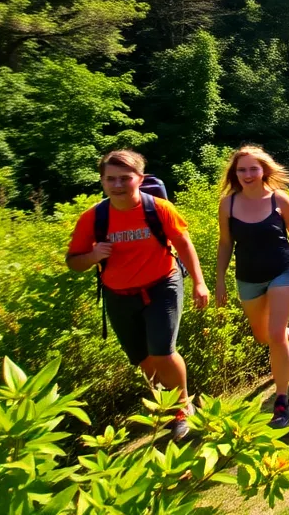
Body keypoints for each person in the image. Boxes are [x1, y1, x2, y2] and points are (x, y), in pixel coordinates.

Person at [65, 149, 210, 442]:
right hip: (118, 295)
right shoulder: (93, 218)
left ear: (139, 179)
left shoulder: (158, 209)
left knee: (163, 351)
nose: (118, 185)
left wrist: (199, 282)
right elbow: (74, 261)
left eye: (125, 178)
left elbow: (183, 244)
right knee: (143, 360)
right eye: (110, 179)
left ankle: (182, 409)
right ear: (102, 181)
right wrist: (93, 255)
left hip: (162, 284)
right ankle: (166, 408)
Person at [215, 146, 289, 429]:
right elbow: (225, 244)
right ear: (235, 174)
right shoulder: (228, 204)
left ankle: (281, 401)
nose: (247, 174)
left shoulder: (279, 200)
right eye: (242, 170)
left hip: (283, 270)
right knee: (264, 336)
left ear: (264, 171)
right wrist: (220, 279)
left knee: (273, 334)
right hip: (248, 276)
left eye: (253, 169)